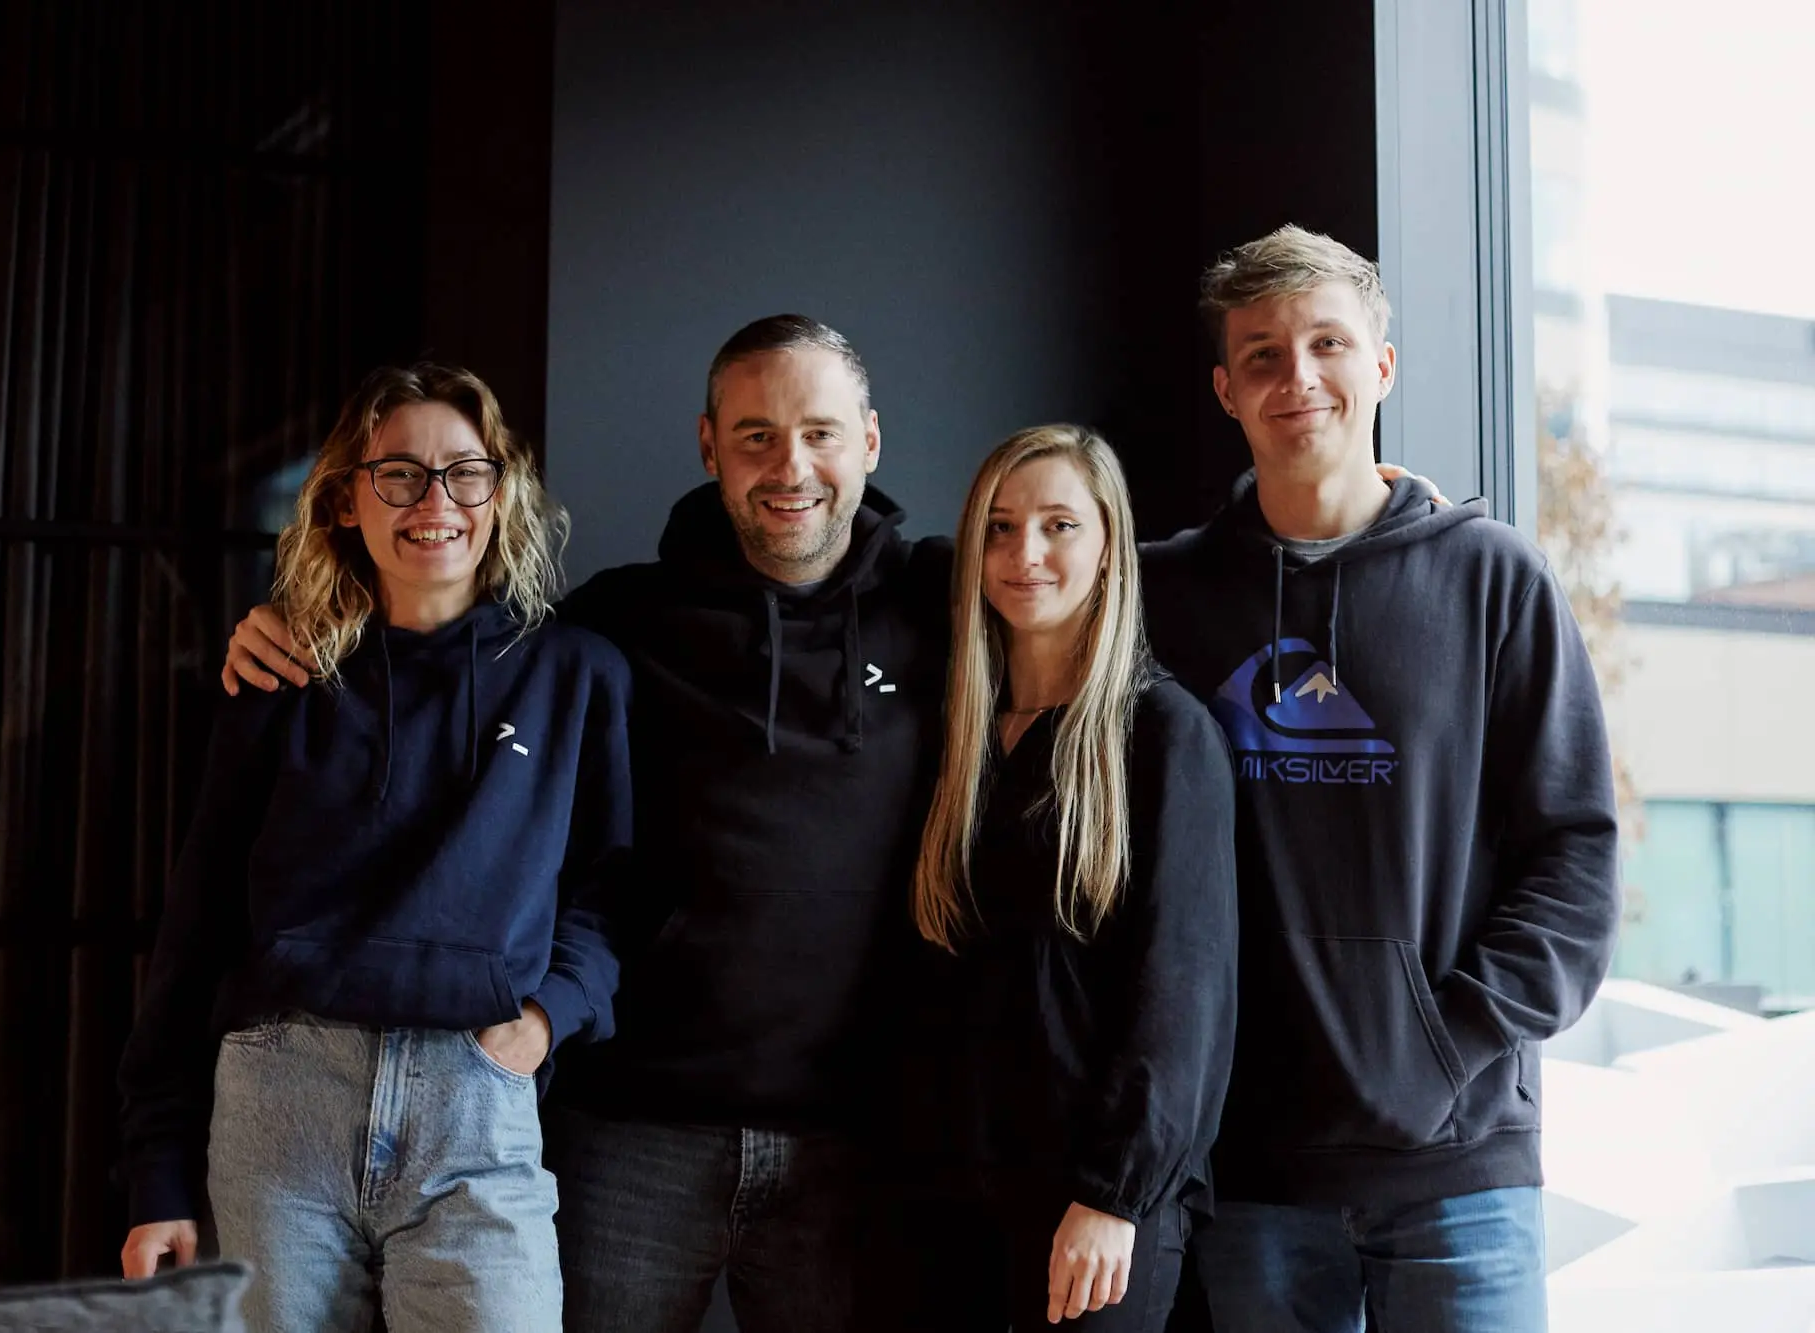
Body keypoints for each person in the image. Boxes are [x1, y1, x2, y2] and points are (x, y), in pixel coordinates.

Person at [220, 318, 954, 1333]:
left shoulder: (946, 611)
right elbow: (448, 637)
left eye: (819, 433)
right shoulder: (613, 627)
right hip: (630, 1132)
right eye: (754, 436)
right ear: (708, 445)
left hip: (856, 1140)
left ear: (867, 442)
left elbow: (1070, 599)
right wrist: (289, 622)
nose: (790, 465)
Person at [1140, 226, 1621, 1332]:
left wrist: (1443, 1043)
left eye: (1325, 344)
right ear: (1224, 387)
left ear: (1381, 367)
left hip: (1458, 1162)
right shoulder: (1162, 597)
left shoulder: (1491, 577)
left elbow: (1575, 855)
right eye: (1259, 354)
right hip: (1252, 1169)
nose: (1295, 377)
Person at [119, 363, 632, 1333]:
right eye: (398, 473)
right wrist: (156, 1167)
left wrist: (544, 1015)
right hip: (282, 1100)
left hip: (476, 1103)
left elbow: (612, 888)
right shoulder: (280, 672)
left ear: (499, 491)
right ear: (347, 499)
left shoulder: (574, 672)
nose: (433, 501)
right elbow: (196, 923)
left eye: (462, 473)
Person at [897, 426, 1238, 1331]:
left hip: (1095, 1208)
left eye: (1059, 525)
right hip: (952, 1200)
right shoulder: (958, 736)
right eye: (1000, 529)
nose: (1025, 555)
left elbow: (1184, 996)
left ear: (1108, 546)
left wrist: (1112, 1196)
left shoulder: (1163, 734)